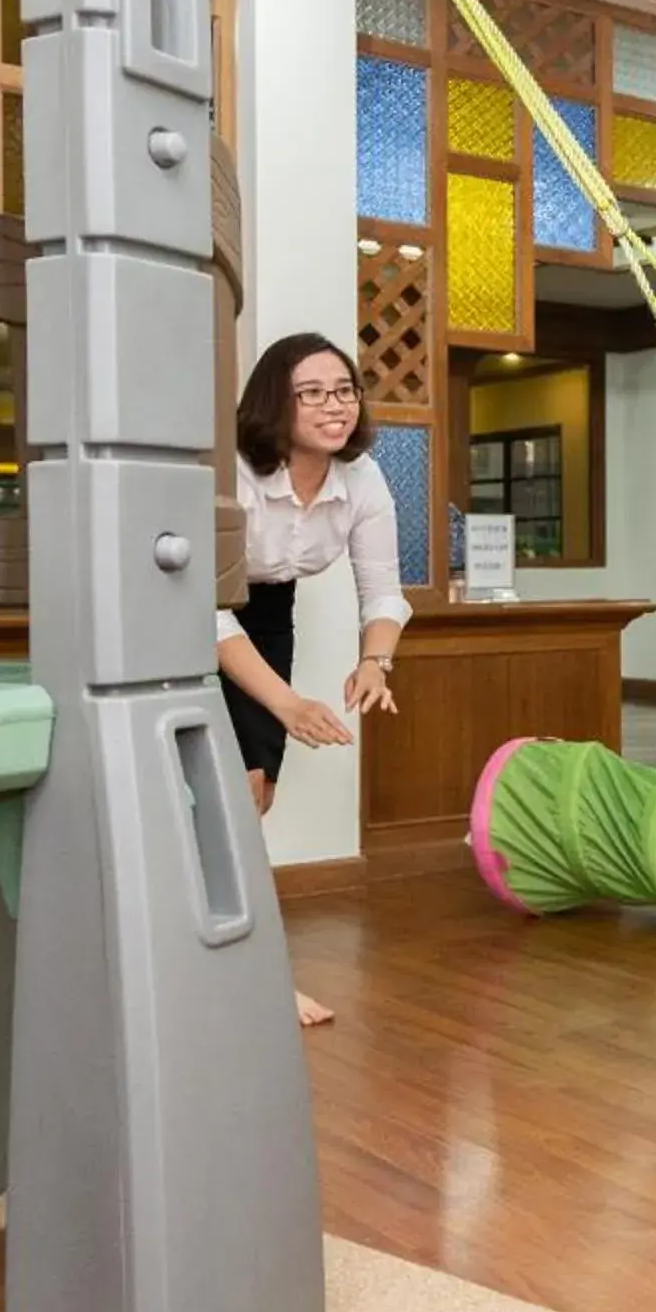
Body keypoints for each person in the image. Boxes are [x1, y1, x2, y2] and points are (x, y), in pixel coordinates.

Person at [216, 333, 411, 1027]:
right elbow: (204, 614)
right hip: (190, 611)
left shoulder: (360, 480)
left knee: (251, 794)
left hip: (267, 614)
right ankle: (246, 976)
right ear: (277, 400)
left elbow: (383, 593)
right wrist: (289, 704)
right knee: (216, 795)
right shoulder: (231, 471)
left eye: (346, 391)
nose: (336, 406)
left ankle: (240, 973)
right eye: (314, 393)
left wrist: (373, 661)